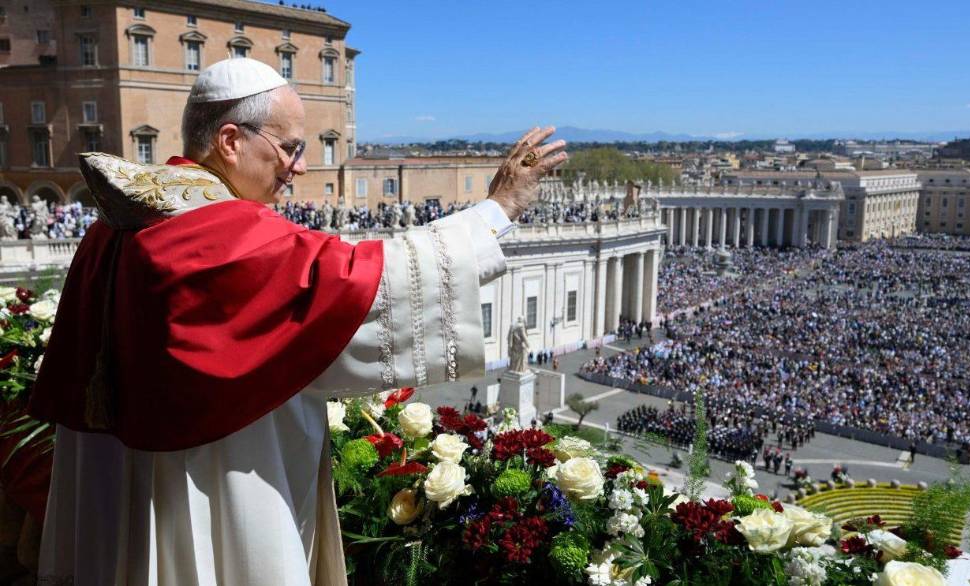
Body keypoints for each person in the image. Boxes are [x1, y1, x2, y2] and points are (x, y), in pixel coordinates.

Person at [30, 58, 568, 585]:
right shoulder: (220, 233)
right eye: (290, 148)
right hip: (213, 480)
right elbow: (360, 284)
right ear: (232, 141)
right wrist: (498, 208)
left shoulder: (120, 219)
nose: (302, 166)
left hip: (123, 481)